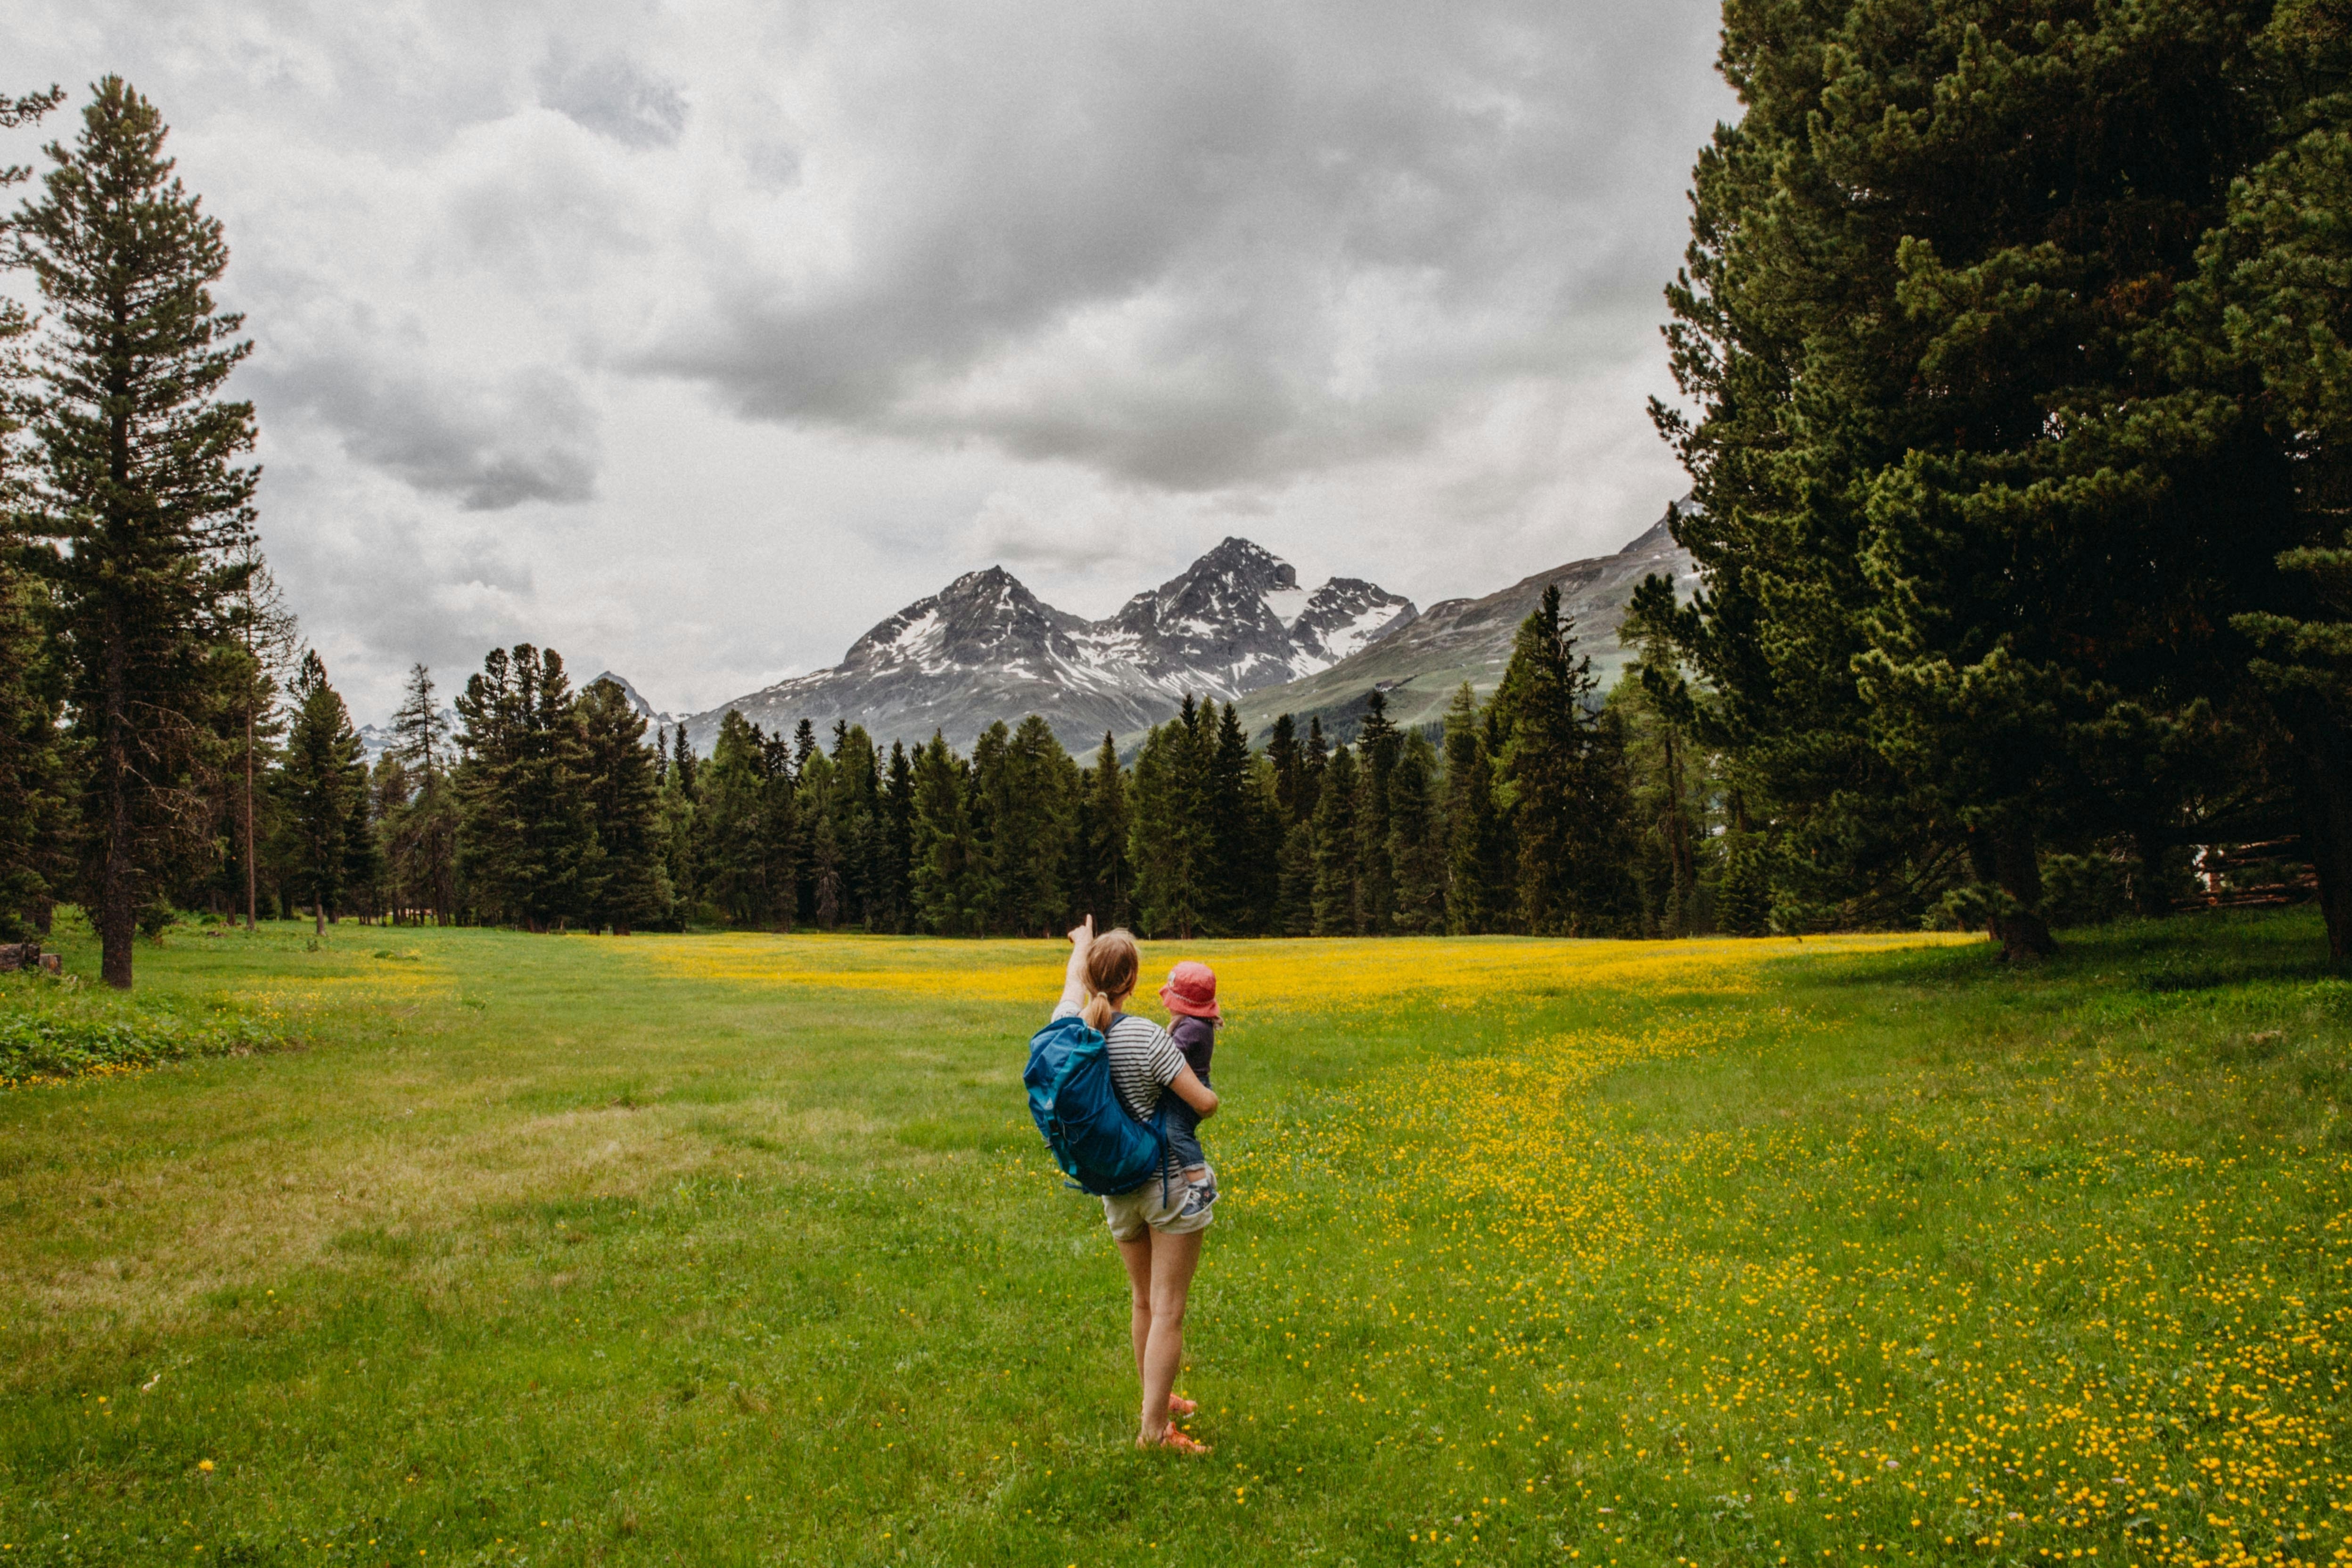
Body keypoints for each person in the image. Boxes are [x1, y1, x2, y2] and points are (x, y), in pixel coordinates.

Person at [1053, 917, 1220, 1453]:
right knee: (1169, 1307)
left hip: (1114, 1189)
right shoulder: (1146, 1035)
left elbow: (1071, 989)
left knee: (1143, 1303)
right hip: (1165, 1182)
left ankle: (1157, 1396)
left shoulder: (1069, 1027)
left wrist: (1081, 949)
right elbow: (1203, 1103)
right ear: (1133, 980)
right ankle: (1154, 1431)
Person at [1157, 960, 1221, 1218]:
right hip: (1187, 1087)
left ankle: (1202, 1187)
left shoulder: (1192, 1028)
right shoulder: (1193, 1023)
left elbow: (1167, 1055)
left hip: (1191, 1090)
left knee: (1178, 1132)